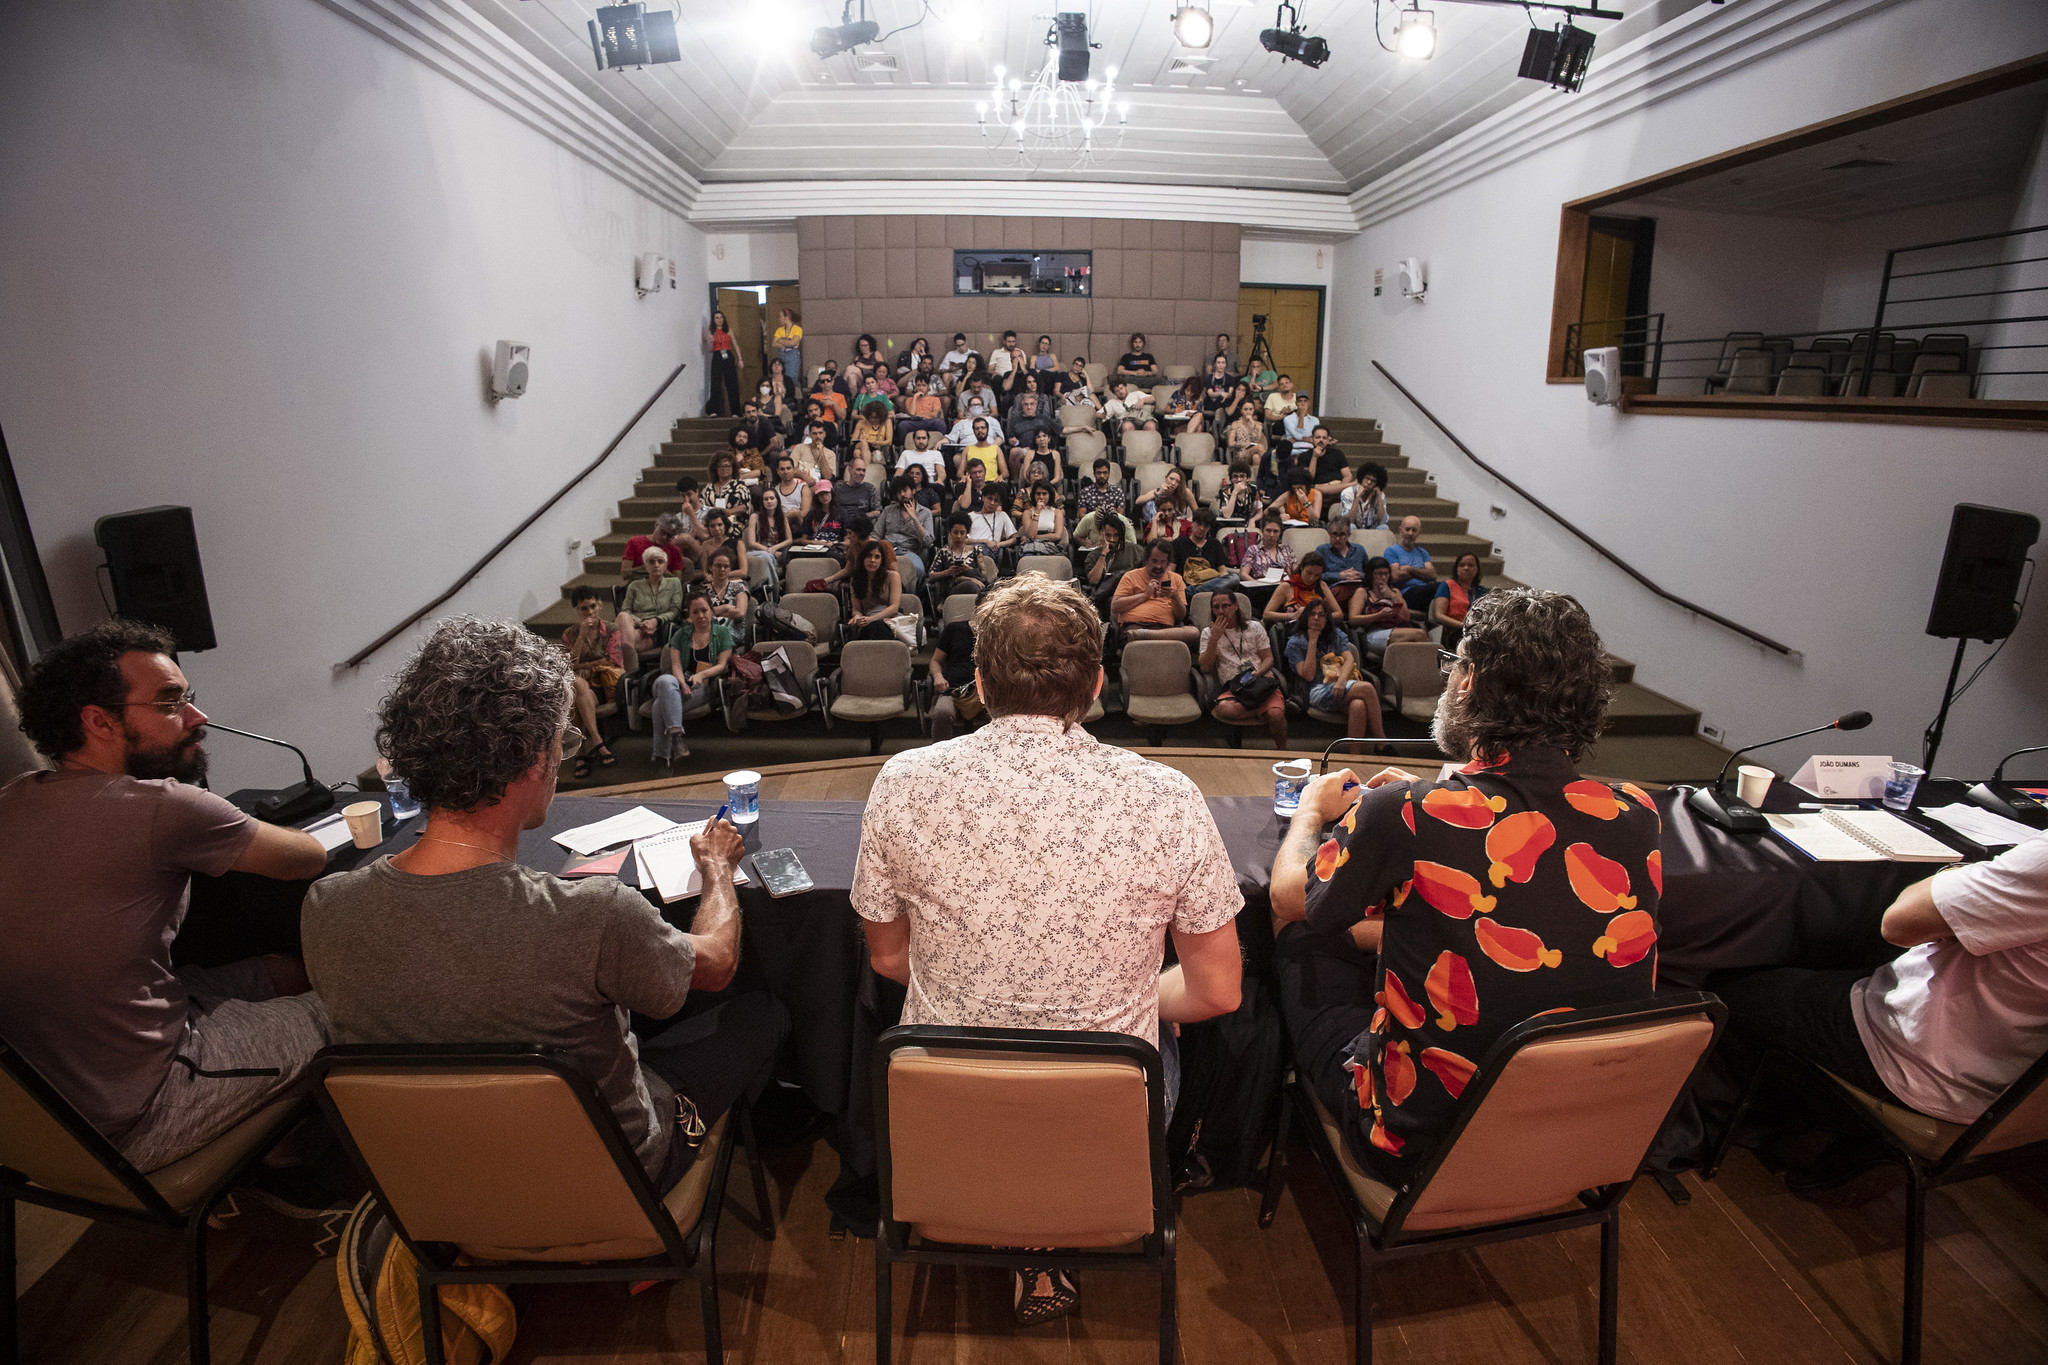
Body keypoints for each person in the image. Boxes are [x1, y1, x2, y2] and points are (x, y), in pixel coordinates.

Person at [853, 574, 1243, 1323]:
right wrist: (1133, 998)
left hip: (950, 1111)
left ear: (978, 680)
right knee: (1165, 1036)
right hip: (1105, 1119)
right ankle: (1054, 1222)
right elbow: (1219, 991)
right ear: (1097, 683)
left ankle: (1010, 1221)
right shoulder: (1167, 796)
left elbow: (889, 960)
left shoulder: (902, 782)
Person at [304, 619, 783, 1190]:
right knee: (762, 1010)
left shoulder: (325, 906)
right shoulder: (596, 913)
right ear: (537, 758)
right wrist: (716, 869)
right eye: (563, 741)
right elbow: (717, 961)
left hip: (438, 1183)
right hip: (608, 1181)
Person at [1268, 590, 1655, 1186]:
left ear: (1469, 681)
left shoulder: (1407, 812)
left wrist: (1311, 813)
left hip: (1418, 1143)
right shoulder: (1637, 814)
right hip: (1573, 1138)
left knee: (1297, 938)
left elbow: (1289, 895)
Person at [0, 621, 330, 1174]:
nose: (198, 718)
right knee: (353, 1005)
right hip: (141, 1110)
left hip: (45, 1116)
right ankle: (290, 1180)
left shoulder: (12, 798)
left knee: (283, 971)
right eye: (171, 702)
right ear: (99, 720)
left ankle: (276, 1154)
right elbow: (307, 857)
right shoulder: (161, 808)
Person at [1714, 829, 2048, 1202]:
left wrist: (1952, 875)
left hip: (1921, 1064)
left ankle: (1760, 1126)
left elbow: (1901, 923)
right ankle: (1847, 1143)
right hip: (2013, 1096)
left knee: (1727, 988)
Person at [647, 590, 737, 767]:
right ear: (689, 615)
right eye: (695, 612)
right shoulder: (681, 634)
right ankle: (676, 735)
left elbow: (721, 665)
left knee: (659, 705)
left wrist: (701, 675)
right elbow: (676, 667)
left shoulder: (723, 633)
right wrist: (682, 684)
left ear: (711, 610)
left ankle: (661, 756)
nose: (701, 616)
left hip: (702, 685)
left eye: (704, 610)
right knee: (665, 681)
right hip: (674, 682)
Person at [1200, 589, 1287, 748]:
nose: (1221, 611)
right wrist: (1214, 639)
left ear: (1236, 606)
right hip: (1235, 688)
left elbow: (1268, 658)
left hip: (1260, 681)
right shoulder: (1208, 633)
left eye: (1225, 606)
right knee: (1224, 709)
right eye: (1216, 607)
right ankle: (1261, 710)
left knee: (1276, 714)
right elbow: (1205, 667)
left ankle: (1284, 752)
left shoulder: (1254, 627)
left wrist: (1257, 673)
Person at [1284, 599, 1384, 737]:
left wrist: (1342, 680)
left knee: (1358, 705)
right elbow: (1308, 675)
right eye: (1312, 614)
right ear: (1306, 617)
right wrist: (1312, 641)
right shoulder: (1295, 642)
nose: (1316, 618)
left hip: (1340, 685)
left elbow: (1349, 659)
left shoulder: (1336, 635)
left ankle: (1355, 756)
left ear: (1327, 619)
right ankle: (1382, 742)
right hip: (1315, 689)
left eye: (1321, 615)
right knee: (1367, 688)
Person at [561, 587, 622, 776]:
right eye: (584, 609)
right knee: (576, 684)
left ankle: (580, 752)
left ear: (600, 605)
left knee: (575, 686)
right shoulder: (570, 634)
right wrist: (581, 635)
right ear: (578, 611)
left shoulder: (611, 630)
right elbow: (569, 665)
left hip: (605, 685)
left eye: (592, 606)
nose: (589, 612)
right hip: (583, 689)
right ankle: (597, 740)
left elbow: (612, 661)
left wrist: (584, 667)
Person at [1113, 540, 1197, 644]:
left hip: (1166, 628)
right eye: (1154, 561)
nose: (1158, 566)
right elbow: (1115, 606)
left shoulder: (1176, 579)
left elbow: (1181, 616)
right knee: (1131, 633)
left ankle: (1146, 635)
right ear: (1146, 560)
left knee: (1194, 632)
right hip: (1136, 625)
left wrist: (1175, 597)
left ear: (1168, 562)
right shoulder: (1130, 576)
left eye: (1162, 562)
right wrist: (1144, 595)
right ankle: (1146, 635)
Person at [1350, 557, 1431, 657]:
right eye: (1379, 574)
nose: (1383, 577)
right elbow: (1353, 619)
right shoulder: (1362, 592)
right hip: (1374, 633)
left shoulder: (1395, 591)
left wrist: (1392, 596)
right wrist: (1378, 615)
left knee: (1414, 645)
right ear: (1371, 575)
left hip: (1399, 629)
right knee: (1419, 635)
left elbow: (1406, 617)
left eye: (1386, 574)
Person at [926, 601, 983, 741]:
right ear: (978, 607)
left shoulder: (1000, 633)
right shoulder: (954, 629)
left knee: (1003, 717)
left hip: (986, 693)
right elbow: (935, 661)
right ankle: (940, 758)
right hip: (953, 688)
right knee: (942, 713)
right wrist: (938, 676)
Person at [615, 545, 682, 652]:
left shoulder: (674, 583)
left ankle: (626, 663)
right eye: (651, 562)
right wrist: (641, 624)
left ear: (665, 566)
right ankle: (631, 664)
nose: (656, 565)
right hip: (636, 627)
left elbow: (675, 611)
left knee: (621, 643)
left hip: (658, 630)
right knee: (622, 616)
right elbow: (626, 610)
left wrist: (655, 621)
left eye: (660, 562)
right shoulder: (634, 585)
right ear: (646, 566)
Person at [844, 542, 906, 641]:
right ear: (863, 558)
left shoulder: (893, 576)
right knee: (872, 628)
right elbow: (856, 609)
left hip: (889, 619)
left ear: (881, 561)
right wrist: (857, 617)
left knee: (878, 626)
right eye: (869, 556)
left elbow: (894, 607)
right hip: (867, 620)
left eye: (877, 557)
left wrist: (872, 619)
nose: (872, 560)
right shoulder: (855, 579)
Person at [878, 475, 932, 589]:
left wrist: (914, 518)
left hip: (909, 552)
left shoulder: (925, 513)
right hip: (887, 549)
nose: (902, 494)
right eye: (898, 492)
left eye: (905, 490)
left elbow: (927, 542)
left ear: (913, 490)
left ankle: (907, 599)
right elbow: (875, 534)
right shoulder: (888, 510)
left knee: (918, 569)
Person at [1264, 549, 1342, 627]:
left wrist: (1319, 616)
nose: (1312, 578)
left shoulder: (1322, 585)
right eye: (1309, 573)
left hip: (1321, 628)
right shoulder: (1287, 587)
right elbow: (1267, 614)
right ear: (1302, 567)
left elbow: (1339, 614)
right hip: (1296, 629)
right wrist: (1292, 615)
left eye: (1317, 575)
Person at [1430, 551, 1488, 649]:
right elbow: (1439, 615)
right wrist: (1463, 626)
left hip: (1479, 630)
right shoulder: (1447, 586)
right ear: (1456, 569)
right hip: (1456, 631)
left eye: (1471, 565)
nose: (1466, 568)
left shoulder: (1481, 591)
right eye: (1462, 565)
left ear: (1477, 569)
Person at [622, 510, 696, 582]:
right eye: (662, 532)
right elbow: (624, 574)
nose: (664, 537)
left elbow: (677, 581)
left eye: (669, 536)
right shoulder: (635, 542)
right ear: (656, 525)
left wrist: (664, 571)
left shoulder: (674, 550)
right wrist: (646, 569)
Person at [926, 512, 987, 599]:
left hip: (977, 584)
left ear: (967, 533)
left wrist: (970, 570)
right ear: (950, 532)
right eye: (955, 532)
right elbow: (931, 576)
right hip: (952, 590)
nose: (958, 536)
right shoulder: (943, 552)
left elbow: (984, 576)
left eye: (962, 533)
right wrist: (948, 572)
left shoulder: (976, 551)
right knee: (971, 585)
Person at [1385, 515, 1439, 613]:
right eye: (1407, 529)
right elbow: (1396, 576)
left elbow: (1433, 575)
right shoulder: (1392, 551)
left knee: (1446, 591)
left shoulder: (1423, 552)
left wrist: (1410, 569)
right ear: (1401, 530)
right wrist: (1422, 573)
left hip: (1424, 592)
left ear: (1419, 533)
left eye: (1414, 530)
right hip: (1406, 593)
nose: (1410, 533)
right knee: (1443, 587)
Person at [1319, 515, 1370, 610]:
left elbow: (1370, 573)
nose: (1338, 538)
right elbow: (1316, 576)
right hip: (1334, 590)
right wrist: (1339, 575)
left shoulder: (1359, 550)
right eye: (1334, 534)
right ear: (1329, 534)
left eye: (1342, 534)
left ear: (1348, 535)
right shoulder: (1322, 551)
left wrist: (1360, 575)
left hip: (1358, 587)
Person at [705, 308, 742, 416]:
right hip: (717, 356)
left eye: (721, 317)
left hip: (728, 356)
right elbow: (710, 349)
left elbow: (735, 344)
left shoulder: (728, 330)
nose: (719, 320)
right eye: (717, 318)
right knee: (715, 383)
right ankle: (713, 411)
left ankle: (736, 412)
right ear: (713, 320)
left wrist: (740, 359)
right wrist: (710, 342)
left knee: (732, 384)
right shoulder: (711, 331)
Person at [1017, 481, 1068, 557]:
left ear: (1049, 495)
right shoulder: (1027, 513)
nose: (1041, 497)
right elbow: (1031, 535)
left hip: (1051, 546)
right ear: (1034, 495)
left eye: (1044, 494)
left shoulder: (1057, 512)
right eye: (1038, 494)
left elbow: (1057, 536)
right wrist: (1037, 512)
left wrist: (1036, 537)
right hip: (1031, 547)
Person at [703, 548, 752, 627]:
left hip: (733, 633)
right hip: (710, 632)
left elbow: (740, 613)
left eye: (726, 566)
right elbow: (700, 614)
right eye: (718, 566)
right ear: (710, 567)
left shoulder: (739, 588)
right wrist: (726, 607)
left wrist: (713, 613)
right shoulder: (704, 590)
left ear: (730, 569)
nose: (722, 569)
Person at [969, 482, 1019, 558]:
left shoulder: (1002, 515)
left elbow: (1015, 538)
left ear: (999, 503)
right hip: (970, 548)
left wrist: (999, 544)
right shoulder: (970, 516)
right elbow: (963, 540)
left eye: (996, 500)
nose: (992, 503)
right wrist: (984, 541)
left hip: (988, 551)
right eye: (990, 498)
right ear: (983, 498)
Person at [800, 479, 847, 554]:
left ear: (832, 493)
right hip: (815, 550)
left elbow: (847, 540)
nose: (824, 497)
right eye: (821, 494)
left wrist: (836, 545)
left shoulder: (841, 514)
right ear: (817, 496)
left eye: (826, 493)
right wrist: (816, 543)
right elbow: (803, 540)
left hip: (835, 550)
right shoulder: (812, 514)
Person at [955, 415, 1005, 482]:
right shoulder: (967, 449)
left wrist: (1001, 477)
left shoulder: (996, 449)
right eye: (977, 428)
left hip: (992, 483)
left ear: (987, 429)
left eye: (983, 428)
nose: (980, 430)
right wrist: (964, 477)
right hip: (973, 484)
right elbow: (959, 473)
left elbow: (1005, 473)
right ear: (973, 431)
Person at [1225, 398, 1268, 469]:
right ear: (1241, 411)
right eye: (1245, 409)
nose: (1248, 412)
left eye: (1251, 409)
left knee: (1256, 458)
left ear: (1254, 410)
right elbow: (1230, 443)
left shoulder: (1258, 425)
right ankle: (1271, 469)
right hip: (1241, 454)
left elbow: (1257, 439)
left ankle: (1257, 479)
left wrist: (1252, 424)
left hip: (1255, 451)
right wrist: (1245, 444)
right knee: (1259, 447)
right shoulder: (1235, 424)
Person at [771, 307, 803, 386]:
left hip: (792, 355)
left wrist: (780, 340)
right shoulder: (779, 330)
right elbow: (773, 343)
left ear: (786, 318)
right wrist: (785, 343)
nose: (779, 319)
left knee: (791, 377)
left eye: (780, 316)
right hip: (781, 354)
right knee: (780, 377)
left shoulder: (797, 329)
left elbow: (792, 343)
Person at [1282, 392, 1318, 461]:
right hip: (1294, 448)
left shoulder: (1315, 420)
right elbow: (1298, 435)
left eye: (1305, 401)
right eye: (1300, 401)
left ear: (1309, 403)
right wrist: (1301, 416)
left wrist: (1295, 439)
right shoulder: (1288, 419)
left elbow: (1315, 438)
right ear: (1296, 403)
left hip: (1309, 449)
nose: (1302, 404)